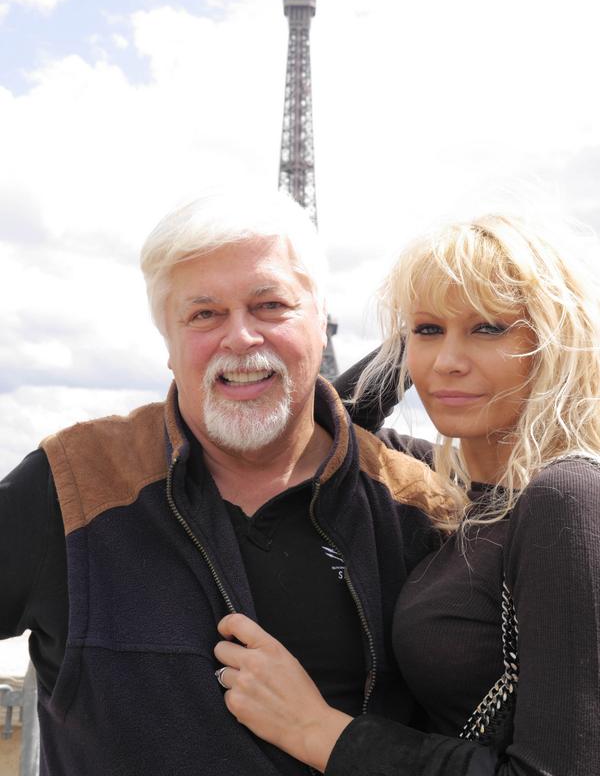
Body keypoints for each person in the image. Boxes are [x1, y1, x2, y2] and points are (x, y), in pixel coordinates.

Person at [0, 190, 452, 776]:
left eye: (270, 306)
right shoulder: (74, 484)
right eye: (204, 314)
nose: (240, 337)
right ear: (168, 343)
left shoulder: (423, 508)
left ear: (321, 323)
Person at [213, 212, 600, 775]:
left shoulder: (567, 499)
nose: (448, 362)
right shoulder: (454, 486)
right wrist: (417, 332)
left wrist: (317, 731)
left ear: (554, 340)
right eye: (428, 331)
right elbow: (324, 427)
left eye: (489, 328)